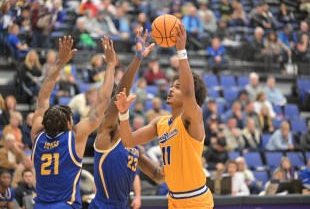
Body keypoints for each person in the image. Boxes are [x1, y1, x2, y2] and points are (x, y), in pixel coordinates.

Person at [115, 24, 214, 208]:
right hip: (174, 199)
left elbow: (188, 93)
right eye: (172, 86)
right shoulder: (160, 123)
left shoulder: (193, 117)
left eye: (176, 87)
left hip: (196, 200)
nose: (171, 89)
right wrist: (123, 114)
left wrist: (181, 51)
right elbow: (128, 141)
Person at [30, 36, 115, 208]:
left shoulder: (36, 136)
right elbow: (103, 101)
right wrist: (111, 65)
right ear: (69, 124)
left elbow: (42, 100)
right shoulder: (74, 138)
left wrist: (60, 62)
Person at [89, 28, 164, 209]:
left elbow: (158, 176)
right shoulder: (108, 135)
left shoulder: (133, 147)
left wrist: (173, 157)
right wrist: (138, 58)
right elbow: (120, 94)